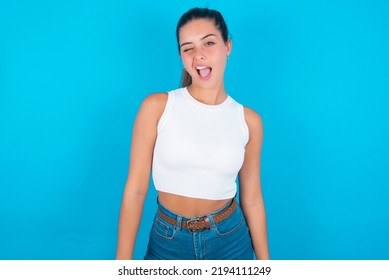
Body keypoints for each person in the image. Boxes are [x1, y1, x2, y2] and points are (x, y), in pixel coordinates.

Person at [116, 7, 269, 260]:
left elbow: (252, 200)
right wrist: (121, 266)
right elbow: (135, 190)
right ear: (181, 56)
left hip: (230, 240)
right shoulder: (156, 107)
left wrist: (267, 267)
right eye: (188, 48)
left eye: (208, 43)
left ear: (227, 46)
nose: (199, 56)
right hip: (168, 240)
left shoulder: (249, 121)